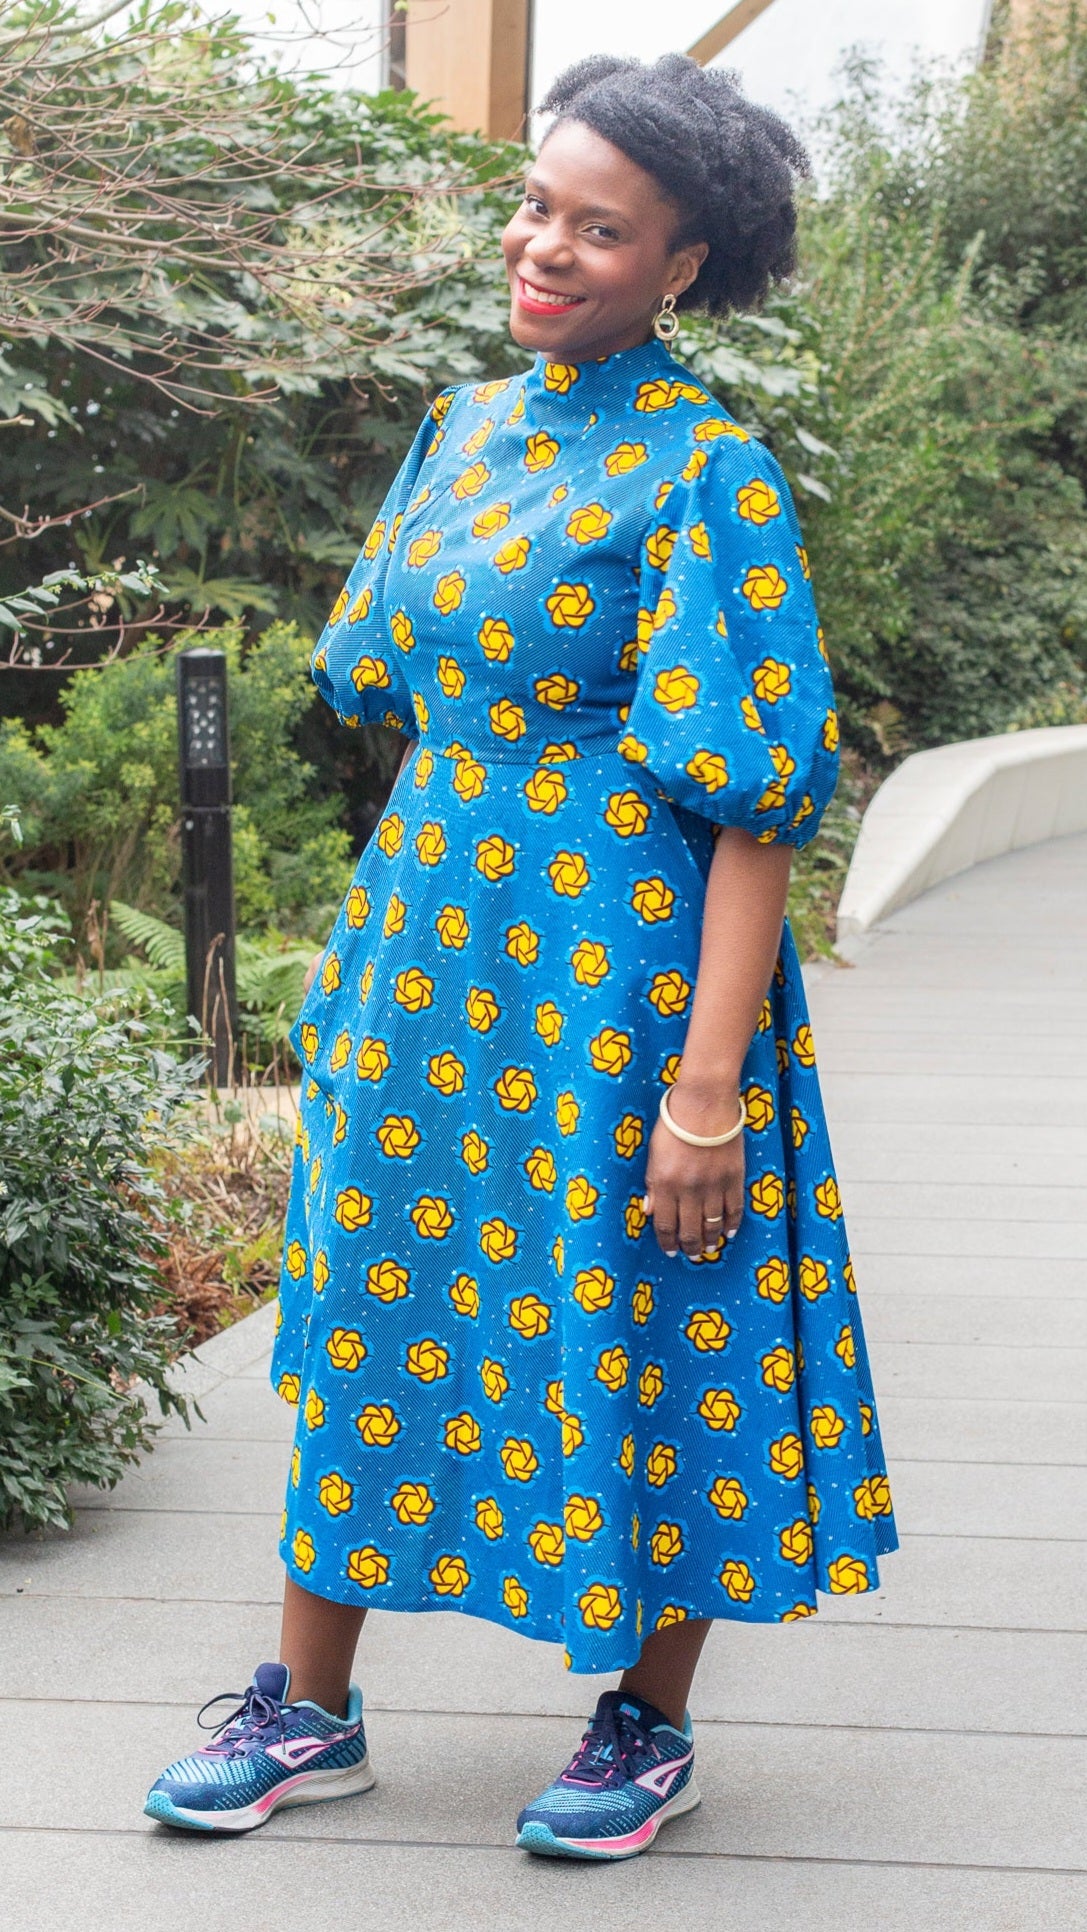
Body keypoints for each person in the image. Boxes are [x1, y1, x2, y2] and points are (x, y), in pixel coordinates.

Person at [145, 51, 897, 1860]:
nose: (543, 246)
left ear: (685, 266)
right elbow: (391, 690)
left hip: (624, 983)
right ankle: (305, 1713)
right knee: (369, 1312)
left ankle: (644, 1725)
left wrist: (706, 1090)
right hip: (426, 970)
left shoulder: (713, 470)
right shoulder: (463, 430)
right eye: (539, 206)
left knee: (647, 1320)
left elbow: (755, 806)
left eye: (598, 227)